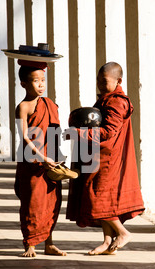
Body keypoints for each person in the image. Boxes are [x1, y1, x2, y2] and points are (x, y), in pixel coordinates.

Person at [64, 62, 145, 255]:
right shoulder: (106, 99)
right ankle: (107, 242)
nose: (100, 84)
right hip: (99, 155)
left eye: (105, 81)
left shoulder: (117, 101)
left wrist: (79, 133)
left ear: (119, 81)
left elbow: (108, 132)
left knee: (97, 197)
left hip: (109, 158)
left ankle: (123, 233)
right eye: (99, 80)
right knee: (103, 199)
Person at [14, 60, 67, 258]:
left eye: (43, 80)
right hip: (32, 161)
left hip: (51, 160)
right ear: (24, 84)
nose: (41, 85)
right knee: (32, 202)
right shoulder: (24, 107)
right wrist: (42, 157)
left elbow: (55, 131)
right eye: (36, 81)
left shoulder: (49, 104)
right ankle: (30, 243)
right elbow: (25, 137)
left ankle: (49, 243)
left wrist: (57, 155)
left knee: (52, 202)